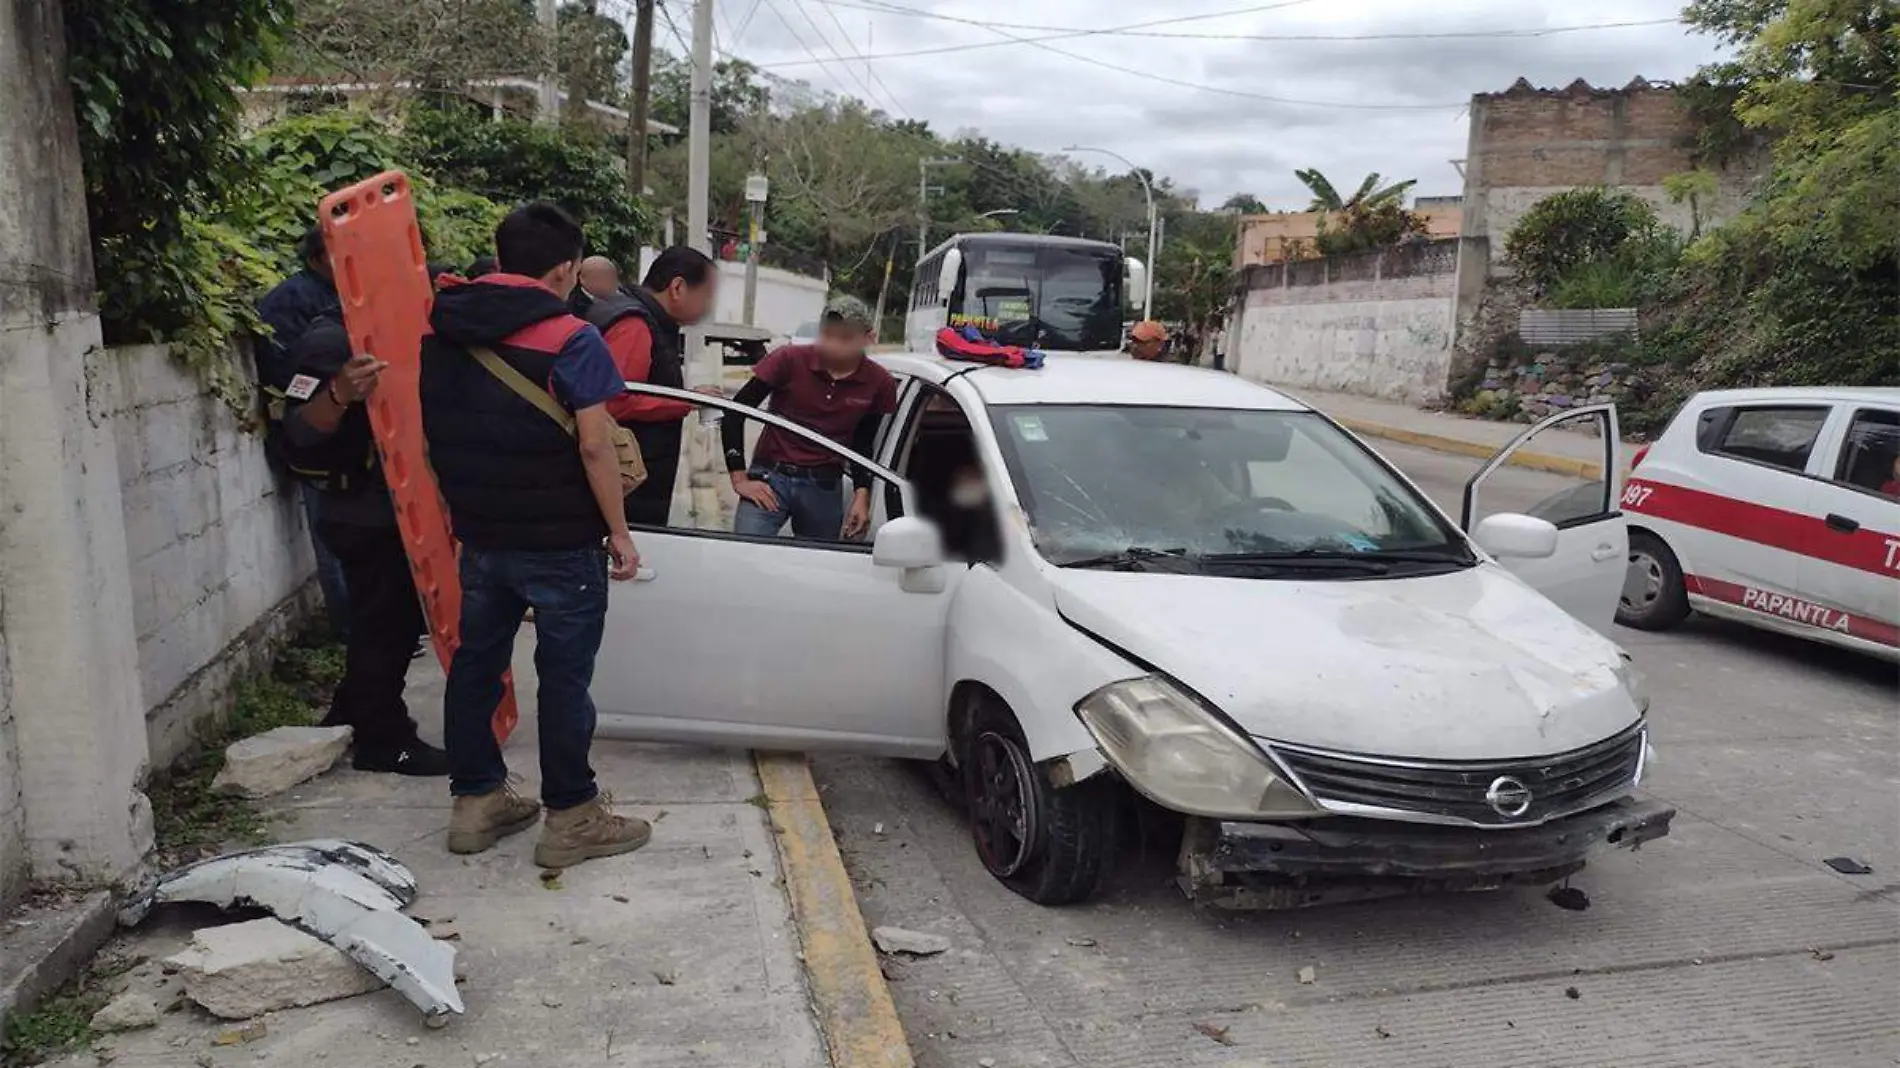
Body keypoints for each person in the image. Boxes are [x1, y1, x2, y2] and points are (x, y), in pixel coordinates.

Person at [420, 202, 648, 868]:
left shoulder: (440, 332)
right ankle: (572, 817)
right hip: (561, 541)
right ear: (565, 269)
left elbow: (434, 436)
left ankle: (476, 803)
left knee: (475, 667)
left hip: (483, 537)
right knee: (564, 680)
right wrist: (621, 533)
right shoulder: (571, 337)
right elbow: (595, 448)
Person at [279, 317, 449, 775]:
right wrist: (339, 394)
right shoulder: (329, 344)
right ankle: (384, 740)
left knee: (386, 622)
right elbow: (298, 431)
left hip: (391, 509)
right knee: (385, 627)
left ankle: (352, 708)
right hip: (361, 512)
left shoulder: (398, 335)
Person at [722, 296, 898, 540]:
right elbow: (735, 412)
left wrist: (862, 494)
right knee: (744, 552)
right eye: (827, 335)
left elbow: (863, 442)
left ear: (869, 338)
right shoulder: (788, 359)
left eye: (845, 338)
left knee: (819, 566)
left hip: (824, 485)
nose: (833, 345)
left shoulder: (880, 382)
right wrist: (739, 478)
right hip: (770, 477)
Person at [257, 227, 350, 640]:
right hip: (315, 434)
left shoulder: (349, 294)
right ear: (315, 258)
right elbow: (286, 370)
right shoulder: (290, 301)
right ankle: (350, 629)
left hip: (353, 435)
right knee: (330, 537)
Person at [585, 247, 719, 527]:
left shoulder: (631, 311)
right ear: (678, 288)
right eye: (706, 295)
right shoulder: (634, 324)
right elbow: (615, 401)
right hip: (627, 478)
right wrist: (686, 402)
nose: (709, 306)